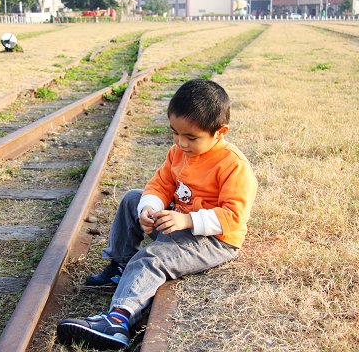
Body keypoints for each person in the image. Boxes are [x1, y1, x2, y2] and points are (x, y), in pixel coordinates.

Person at [57, 78, 258, 350]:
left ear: (220, 132)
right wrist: (149, 208)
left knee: (152, 257)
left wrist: (187, 220)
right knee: (132, 198)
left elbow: (233, 216)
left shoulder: (233, 165)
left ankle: (118, 320)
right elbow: (160, 185)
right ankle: (120, 266)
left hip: (214, 240)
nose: (181, 142)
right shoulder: (178, 153)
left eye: (191, 137)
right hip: (178, 222)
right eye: (175, 133)